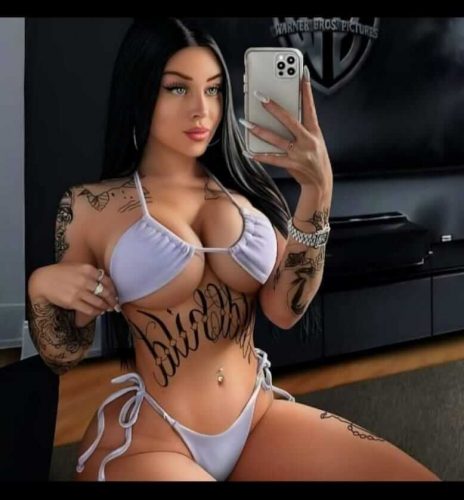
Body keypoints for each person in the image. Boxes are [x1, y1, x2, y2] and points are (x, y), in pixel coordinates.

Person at [26, 18, 439, 481]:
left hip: (256, 418)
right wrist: (43, 288)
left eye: (214, 89)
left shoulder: (244, 192)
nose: (201, 110)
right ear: (139, 92)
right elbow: (64, 353)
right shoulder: (90, 206)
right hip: (154, 437)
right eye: (177, 89)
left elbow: (285, 309)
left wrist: (318, 191)